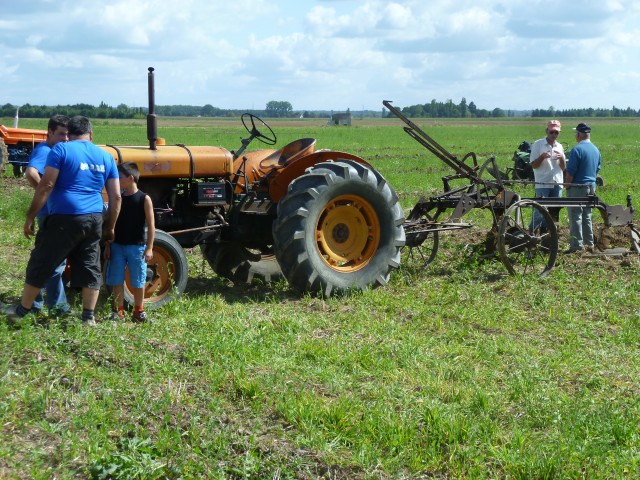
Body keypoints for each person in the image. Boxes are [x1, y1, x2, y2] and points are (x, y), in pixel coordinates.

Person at [4, 116, 121, 326]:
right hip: (94, 217)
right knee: (90, 266)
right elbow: (116, 197)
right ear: (91, 134)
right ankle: (88, 317)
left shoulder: (61, 150)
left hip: (64, 217)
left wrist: (30, 216)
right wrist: (110, 226)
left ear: (70, 134)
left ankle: (22, 311)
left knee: (41, 262)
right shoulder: (106, 157)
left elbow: (46, 185)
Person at [24, 115, 71, 317]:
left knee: (46, 259)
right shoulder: (45, 150)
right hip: (50, 215)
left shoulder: (59, 150)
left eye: (68, 134)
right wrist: (46, 196)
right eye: (61, 134)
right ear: (50, 132)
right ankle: (57, 307)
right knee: (51, 262)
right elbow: (31, 172)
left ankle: (37, 301)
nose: (66, 138)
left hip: (56, 214)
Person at [104, 162, 155, 323]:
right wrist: (107, 245)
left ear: (131, 178)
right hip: (117, 245)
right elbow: (110, 223)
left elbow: (152, 225)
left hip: (137, 247)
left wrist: (149, 248)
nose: (117, 180)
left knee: (138, 280)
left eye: (120, 177)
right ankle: (118, 311)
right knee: (116, 279)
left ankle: (138, 311)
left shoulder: (144, 199)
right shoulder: (118, 198)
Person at [565, 122, 601, 253]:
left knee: (575, 216)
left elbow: (571, 171)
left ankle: (576, 246)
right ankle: (589, 243)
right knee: (587, 215)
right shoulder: (596, 150)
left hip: (578, 187)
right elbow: (597, 170)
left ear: (579, 135)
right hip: (591, 187)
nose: (576, 136)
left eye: (576, 133)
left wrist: (567, 184)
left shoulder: (577, 150)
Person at [529, 120, 566, 229]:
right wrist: (542, 157)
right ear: (547, 131)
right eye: (552, 132)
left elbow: (564, 168)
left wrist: (562, 158)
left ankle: (549, 234)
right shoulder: (538, 144)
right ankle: (533, 232)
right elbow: (534, 165)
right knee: (540, 211)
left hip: (557, 182)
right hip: (542, 182)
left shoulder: (559, 146)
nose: (554, 135)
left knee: (554, 211)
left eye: (557, 133)